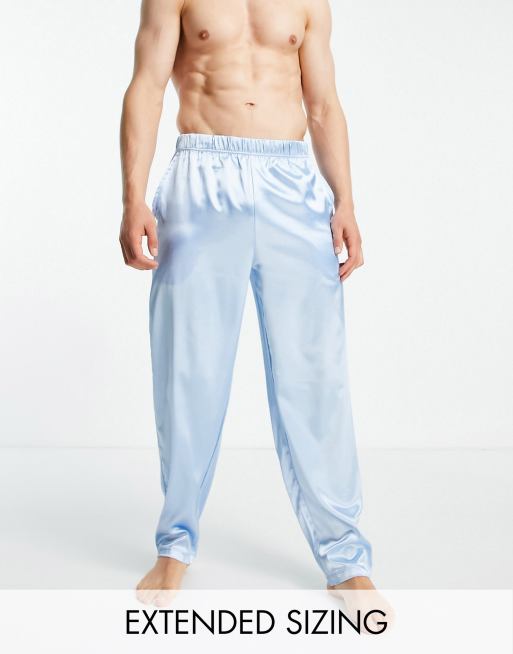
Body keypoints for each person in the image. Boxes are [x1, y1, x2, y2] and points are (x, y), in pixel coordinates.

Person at [120, 0, 376, 606]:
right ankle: (174, 546)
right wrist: (133, 198)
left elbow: (323, 104)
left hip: (292, 182)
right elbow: (147, 87)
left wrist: (345, 200)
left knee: (315, 372)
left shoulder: (309, 3)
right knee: (189, 370)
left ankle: (343, 555)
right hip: (202, 174)